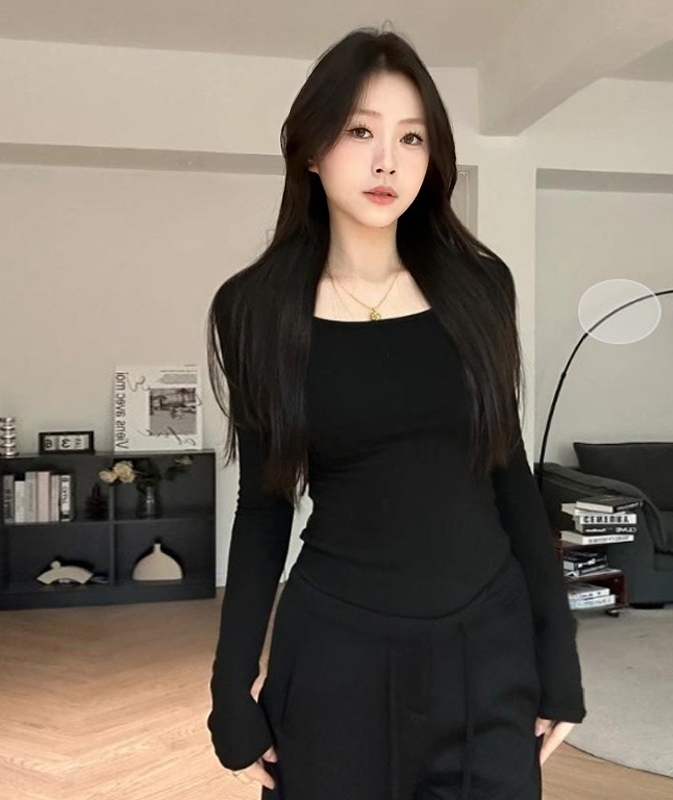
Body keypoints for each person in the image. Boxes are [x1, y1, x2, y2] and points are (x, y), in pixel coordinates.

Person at [204, 24, 586, 800]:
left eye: (411, 137)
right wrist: (229, 690)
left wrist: (560, 656)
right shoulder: (256, 308)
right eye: (360, 131)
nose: (388, 161)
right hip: (335, 658)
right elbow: (264, 507)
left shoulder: (480, 286)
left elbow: (510, 475)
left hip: (488, 647)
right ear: (311, 149)